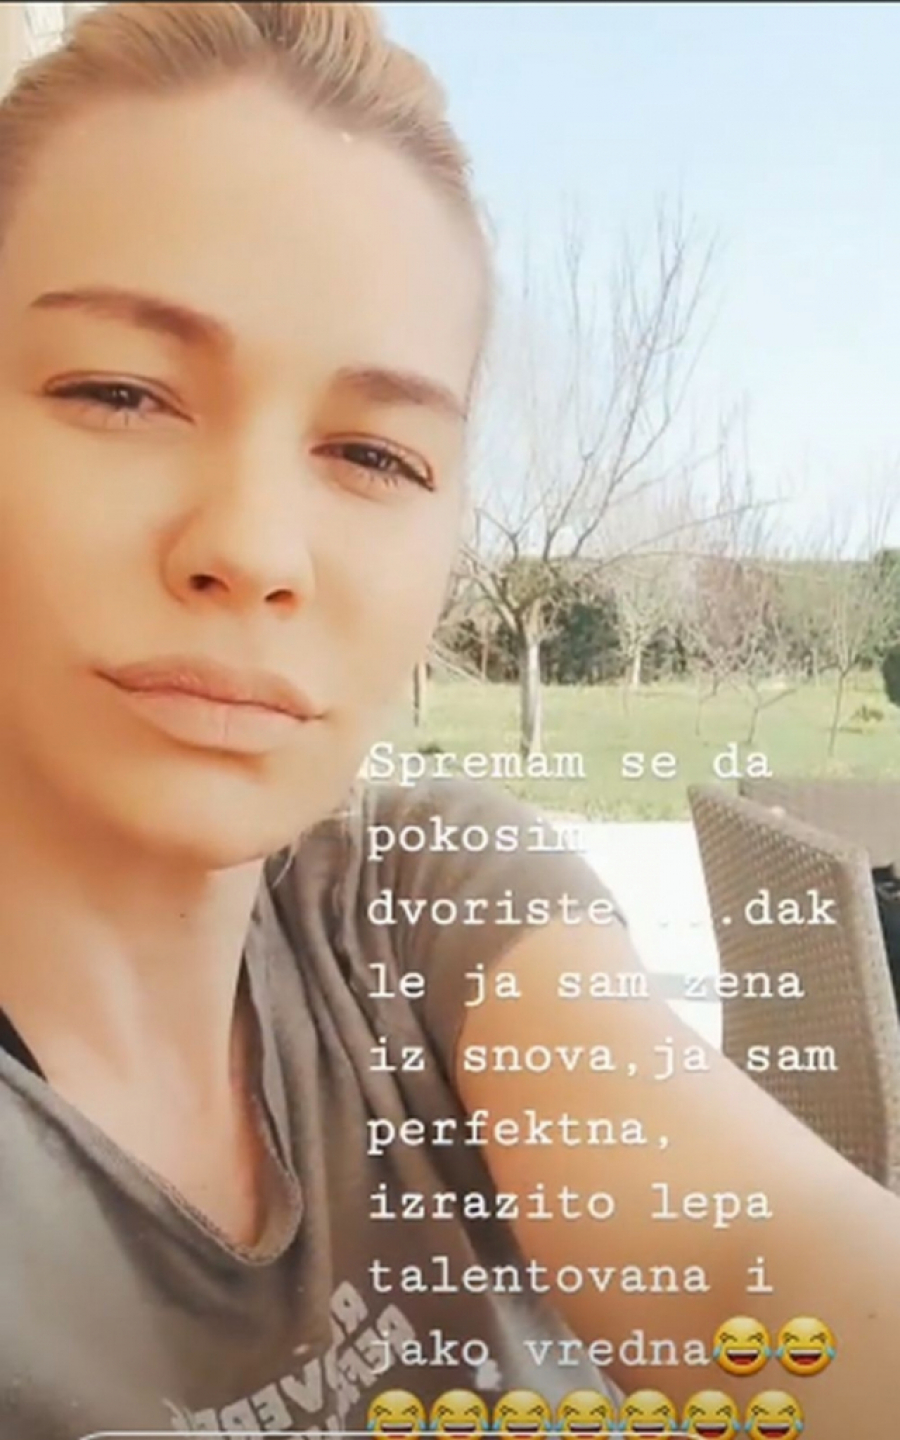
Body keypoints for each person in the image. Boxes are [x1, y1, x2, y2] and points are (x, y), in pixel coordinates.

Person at [0, 4, 896, 1436]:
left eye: (374, 454)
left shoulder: (418, 899)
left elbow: (752, 1269)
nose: (256, 548)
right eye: (120, 392)